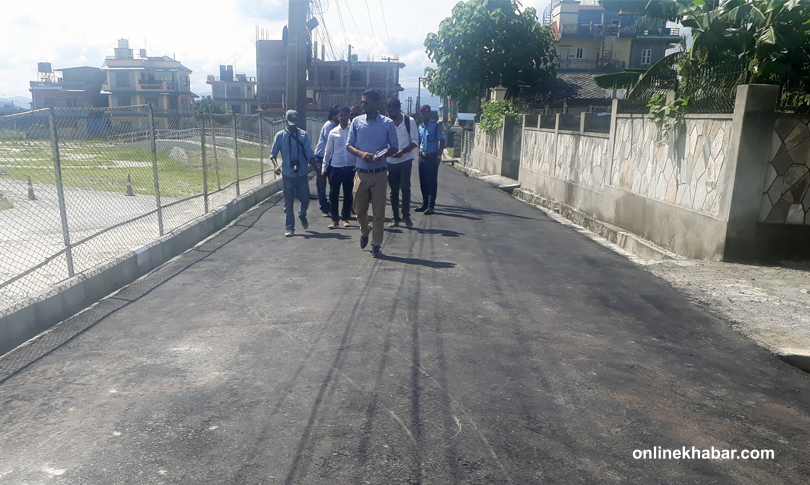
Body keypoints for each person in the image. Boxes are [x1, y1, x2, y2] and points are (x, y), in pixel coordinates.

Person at [346, 89, 399, 258]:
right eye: (362, 102)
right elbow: (349, 145)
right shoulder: (356, 122)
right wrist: (361, 154)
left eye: (366, 102)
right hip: (361, 173)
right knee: (358, 210)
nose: (363, 105)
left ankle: (376, 244)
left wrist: (381, 155)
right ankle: (364, 230)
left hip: (380, 173)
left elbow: (394, 147)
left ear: (376, 104)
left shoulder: (387, 123)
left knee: (378, 212)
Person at [269, 110, 322, 237]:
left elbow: (310, 155)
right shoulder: (280, 136)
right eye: (290, 123)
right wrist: (276, 166)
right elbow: (273, 154)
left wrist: (318, 173)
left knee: (305, 200)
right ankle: (289, 227)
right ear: (285, 121)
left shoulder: (303, 136)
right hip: (287, 174)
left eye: (294, 124)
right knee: (288, 202)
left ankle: (302, 214)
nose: (292, 126)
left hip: (302, 174)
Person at [385, 97, 419, 228]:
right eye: (388, 112)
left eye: (392, 111)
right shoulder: (387, 123)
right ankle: (395, 217)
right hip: (391, 161)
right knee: (393, 190)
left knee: (405, 187)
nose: (390, 114)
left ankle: (406, 216)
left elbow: (414, 142)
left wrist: (402, 152)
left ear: (399, 109)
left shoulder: (409, 121)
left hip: (405, 160)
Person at [322, 106, 354, 229]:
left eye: (345, 115)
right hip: (336, 167)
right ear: (338, 117)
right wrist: (324, 168)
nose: (343, 117)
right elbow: (328, 151)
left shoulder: (353, 131)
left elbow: (357, 148)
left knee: (348, 194)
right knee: (333, 195)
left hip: (350, 167)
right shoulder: (333, 132)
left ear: (349, 116)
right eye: (341, 115)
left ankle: (345, 218)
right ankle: (334, 220)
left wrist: (357, 164)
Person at [416, 105, 445, 215]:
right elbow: (419, 141)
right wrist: (419, 151)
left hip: (432, 157)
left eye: (426, 113)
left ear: (430, 114)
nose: (424, 115)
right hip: (422, 157)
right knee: (423, 182)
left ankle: (431, 206)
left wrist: (439, 156)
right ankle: (424, 204)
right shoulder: (420, 127)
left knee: (432, 182)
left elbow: (442, 141)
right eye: (422, 113)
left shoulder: (436, 126)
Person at [314, 105, 340, 217]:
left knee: (333, 183)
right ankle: (324, 207)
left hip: (330, 158)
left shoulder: (336, 125)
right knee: (321, 183)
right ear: (334, 116)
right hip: (321, 157)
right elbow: (332, 142)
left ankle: (328, 205)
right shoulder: (329, 125)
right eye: (339, 115)